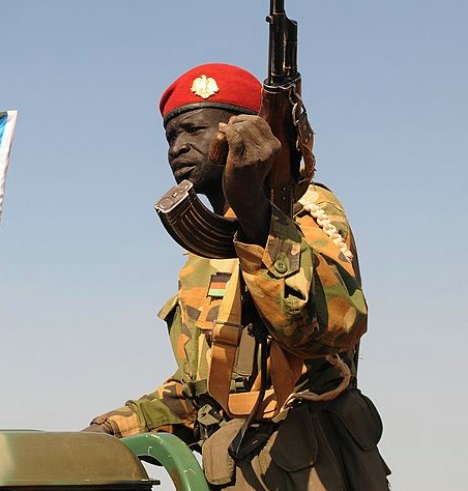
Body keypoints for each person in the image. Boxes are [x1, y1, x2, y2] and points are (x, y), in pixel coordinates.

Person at [84, 63, 389, 490]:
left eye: (194, 129)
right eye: (171, 136)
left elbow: (327, 331)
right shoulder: (203, 255)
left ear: (243, 132)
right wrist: (109, 430)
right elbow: (202, 393)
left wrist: (258, 216)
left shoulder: (306, 208)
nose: (178, 147)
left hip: (310, 468)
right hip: (232, 469)